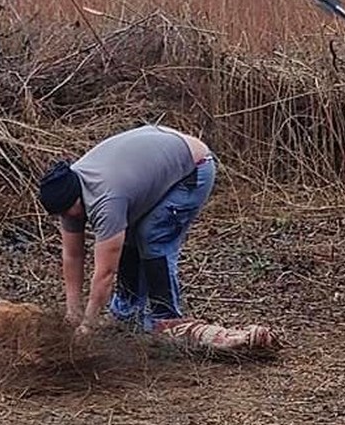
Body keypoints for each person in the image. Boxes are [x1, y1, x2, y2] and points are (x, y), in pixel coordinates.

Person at [36, 124, 215, 337]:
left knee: (152, 236)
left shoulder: (106, 200)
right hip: (154, 152)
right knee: (126, 237)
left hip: (195, 166)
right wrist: (72, 312)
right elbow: (72, 255)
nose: (66, 218)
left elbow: (105, 273)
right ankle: (127, 317)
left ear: (76, 199)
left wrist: (88, 325)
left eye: (67, 212)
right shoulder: (70, 192)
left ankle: (166, 319)